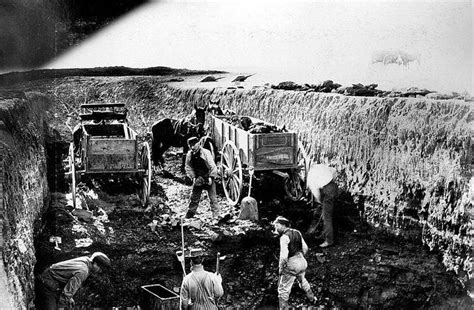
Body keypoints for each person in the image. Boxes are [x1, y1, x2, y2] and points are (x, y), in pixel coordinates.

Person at [36, 252, 111, 310]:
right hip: (47, 283)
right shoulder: (83, 271)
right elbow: (67, 293)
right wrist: (61, 307)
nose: (99, 271)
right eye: (100, 268)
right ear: (95, 264)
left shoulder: (85, 260)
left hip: (50, 277)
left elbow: (67, 276)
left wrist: (69, 298)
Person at [273, 216, 317, 309]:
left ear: (283, 225)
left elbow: (284, 257)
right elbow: (305, 248)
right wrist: (300, 258)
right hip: (302, 261)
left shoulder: (284, 237)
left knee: (283, 290)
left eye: (277, 226)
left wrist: (281, 269)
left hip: (292, 264)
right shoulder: (297, 232)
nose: (276, 228)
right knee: (302, 280)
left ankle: (283, 308)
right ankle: (313, 299)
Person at [184, 136, 218, 218]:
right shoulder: (189, 155)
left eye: (194, 145)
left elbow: (212, 166)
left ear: (198, 143)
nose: (192, 147)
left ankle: (216, 216)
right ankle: (190, 215)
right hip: (198, 178)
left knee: (213, 198)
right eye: (190, 146)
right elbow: (188, 167)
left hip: (208, 176)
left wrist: (211, 177)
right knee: (194, 198)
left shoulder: (206, 153)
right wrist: (193, 177)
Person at [318, 180, 339, 247]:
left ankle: (329, 241)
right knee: (333, 214)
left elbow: (316, 194)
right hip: (334, 188)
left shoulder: (311, 177)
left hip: (327, 193)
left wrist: (319, 201)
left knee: (327, 218)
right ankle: (334, 237)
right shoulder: (326, 171)